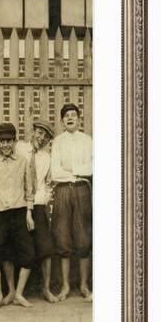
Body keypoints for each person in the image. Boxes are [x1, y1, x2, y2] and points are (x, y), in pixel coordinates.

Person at [0, 122, 35, 310]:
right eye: (2, 141)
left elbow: (29, 190)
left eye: (8, 141)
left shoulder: (23, 162)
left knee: (28, 254)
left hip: (20, 212)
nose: (5, 145)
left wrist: (29, 213)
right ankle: (0, 294)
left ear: (14, 141)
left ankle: (19, 293)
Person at [51, 103, 93, 302]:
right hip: (62, 192)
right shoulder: (58, 142)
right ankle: (66, 285)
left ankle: (84, 285)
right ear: (62, 121)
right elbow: (55, 172)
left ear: (79, 119)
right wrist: (77, 170)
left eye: (73, 115)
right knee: (62, 237)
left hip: (82, 190)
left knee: (84, 238)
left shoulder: (87, 140)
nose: (70, 118)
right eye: (66, 115)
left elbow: (92, 168)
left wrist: (72, 168)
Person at [15, 120, 59, 303]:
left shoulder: (46, 158)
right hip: (19, 203)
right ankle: (16, 292)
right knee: (21, 247)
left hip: (38, 205)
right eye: (39, 133)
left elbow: (48, 184)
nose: (41, 139)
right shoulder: (19, 148)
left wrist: (44, 199)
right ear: (32, 131)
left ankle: (46, 289)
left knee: (46, 248)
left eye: (46, 137)